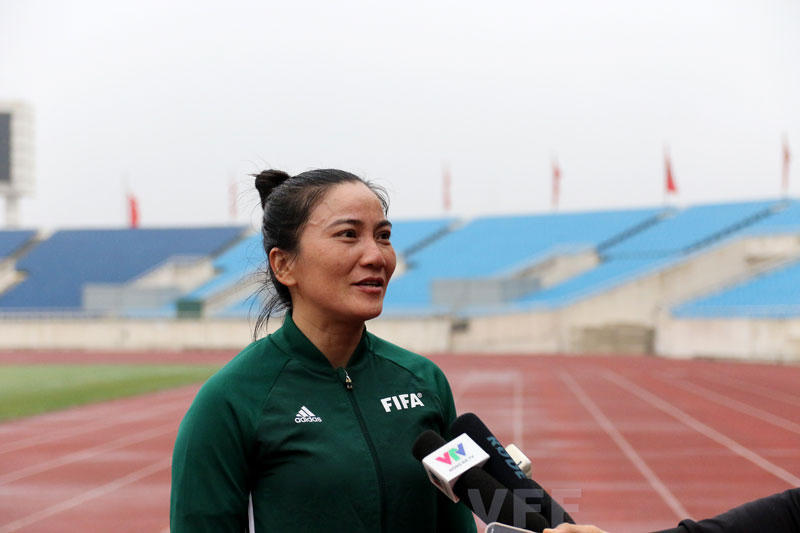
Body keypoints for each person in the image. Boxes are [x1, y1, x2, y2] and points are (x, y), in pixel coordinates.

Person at [170, 168, 478, 533]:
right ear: (284, 265)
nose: (376, 256)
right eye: (348, 235)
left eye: (383, 236)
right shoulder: (231, 401)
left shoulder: (424, 381)